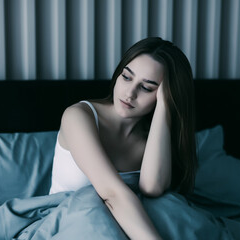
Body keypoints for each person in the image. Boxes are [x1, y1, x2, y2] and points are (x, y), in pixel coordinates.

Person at [49, 37, 197, 240]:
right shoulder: (79, 116)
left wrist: (165, 108)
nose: (129, 93)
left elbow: (152, 187)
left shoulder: (153, 140)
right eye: (126, 77)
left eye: (146, 88)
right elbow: (111, 192)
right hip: (65, 224)